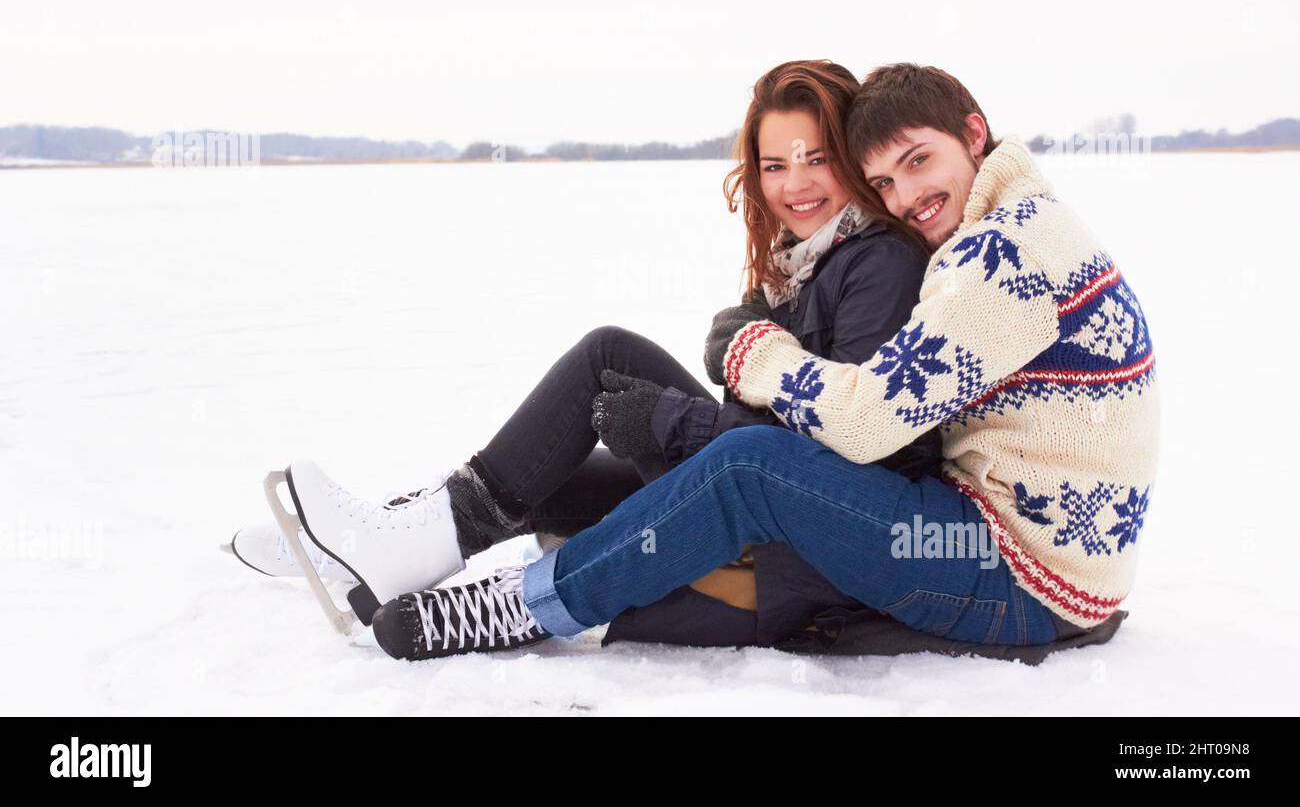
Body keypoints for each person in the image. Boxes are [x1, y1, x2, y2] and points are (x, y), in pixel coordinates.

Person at [316, 62, 1159, 661]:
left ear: (973, 135)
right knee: (640, 384)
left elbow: (866, 426)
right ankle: (418, 530)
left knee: (750, 466)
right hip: (976, 532)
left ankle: (525, 607)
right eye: (887, 180)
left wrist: (756, 352)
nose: (906, 197)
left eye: (918, 163)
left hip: (1010, 568)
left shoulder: (995, 258)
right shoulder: (1005, 228)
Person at [235, 60, 939, 648]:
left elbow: (839, 455)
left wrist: (674, 422)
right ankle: (387, 541)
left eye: (817, 158)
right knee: (547, 472)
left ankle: (403, 543)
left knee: (608, 355)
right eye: (775, 164)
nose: (796, 184)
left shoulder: (878, 264)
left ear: (848, 155)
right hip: (752, 488)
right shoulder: (806, 259)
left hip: (797, 528)